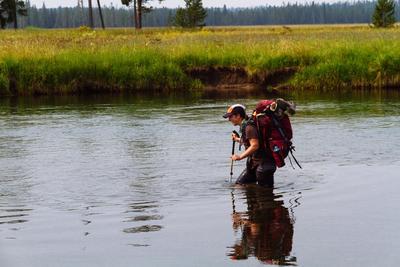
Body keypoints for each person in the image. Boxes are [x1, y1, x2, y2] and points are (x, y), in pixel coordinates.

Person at [223, 104, 276, 187]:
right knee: (240, 185)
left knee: (265, 195)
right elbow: (250, 141)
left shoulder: (249, 127)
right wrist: (237, 139)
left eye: (230, 117)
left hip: (264, 165)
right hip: (254, 165)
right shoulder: (246, 126)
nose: (229, 119)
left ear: (238, 116)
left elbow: (255, 145)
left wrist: (239, 157)